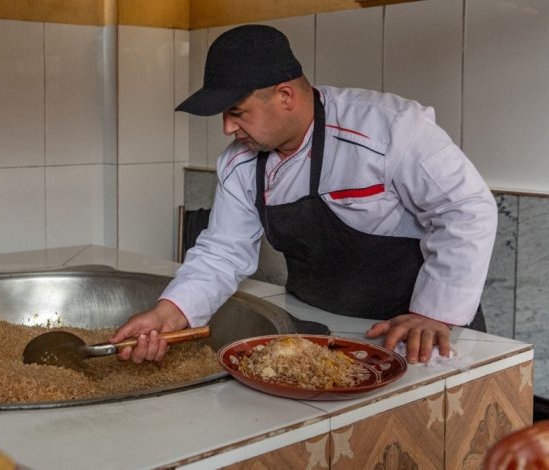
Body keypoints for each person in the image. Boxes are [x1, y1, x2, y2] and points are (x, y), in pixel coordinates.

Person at [110, 24, 497, 365]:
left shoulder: (389, 128)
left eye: (237, 111)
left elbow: (466, 208)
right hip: (326, 328)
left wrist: (434, 314)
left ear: (285, 96)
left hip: (416, 333)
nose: (228, 128)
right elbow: (223, 251)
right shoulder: (241, 164)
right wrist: (169, 311)